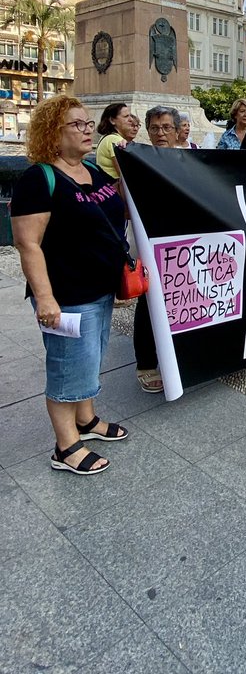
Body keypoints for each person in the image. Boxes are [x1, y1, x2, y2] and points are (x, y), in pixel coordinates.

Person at [10, 95, 128, 475]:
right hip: (66, 295)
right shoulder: (38, 178)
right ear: (52, 134)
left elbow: (118, 209)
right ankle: (65, 447)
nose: (87, 129)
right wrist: (44, 297)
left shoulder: (93, 171)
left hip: (99, 288)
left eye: (88, 123)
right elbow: (27, 243)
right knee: (68, 368)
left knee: (91, 360)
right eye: (76, 124)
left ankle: (87, 421)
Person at [133, 105, 182, 391]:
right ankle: (146, 363)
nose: (160, 133)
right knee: (148, 303)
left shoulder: (191, 158)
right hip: (152, 244)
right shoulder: (137, 160)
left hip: (182, 243)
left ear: (177, 130)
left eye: (166, 127)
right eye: (154, 128)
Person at [95, 102, 137, 179]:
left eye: (130, 115)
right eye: (126, 116)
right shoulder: (115, 139)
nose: (131, 119)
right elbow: (126, 175)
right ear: (112, 120)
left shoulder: (108, 137)